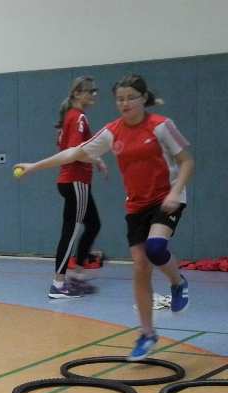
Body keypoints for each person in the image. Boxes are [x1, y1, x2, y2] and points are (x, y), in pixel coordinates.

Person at [15, 74, 193, 360]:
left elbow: (187, 161)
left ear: (143, 99)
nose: (125, 103)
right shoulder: (112, 132)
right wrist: (34, 166)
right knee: (140, 266)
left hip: (166, 198)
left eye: (130, 98)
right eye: (120, 99)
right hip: (136, 205)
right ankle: (147, 334)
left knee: (156, 247)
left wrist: (176, 191)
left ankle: (177, 282)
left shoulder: (161, 126)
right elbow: (74, 153)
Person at [49, 76, 107, 299]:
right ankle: (58, 284)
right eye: (90, 91)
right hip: (76, 181)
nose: (93, 95)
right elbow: (75, 152)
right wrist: (96, 159)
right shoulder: (78, 117)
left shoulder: (70, 117)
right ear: (77, 93)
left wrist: (96, 160)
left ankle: (78, 275)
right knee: (70, 232)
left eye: (95, 91)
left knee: (93, 224)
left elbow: (75, 149)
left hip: (72, 181)